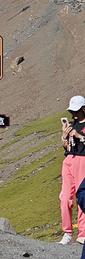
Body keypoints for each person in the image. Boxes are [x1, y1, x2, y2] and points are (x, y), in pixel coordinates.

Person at [58, 95, 85, 244]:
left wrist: (78, 135)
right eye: (72, 111)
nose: (74, 114)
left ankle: (83, 233)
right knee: (65, 197)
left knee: (82, 196)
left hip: (83, 161)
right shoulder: (71, 125)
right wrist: (64, 136)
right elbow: (67, 146)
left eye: (76, 111)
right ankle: (67, 233)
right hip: (69, 160)